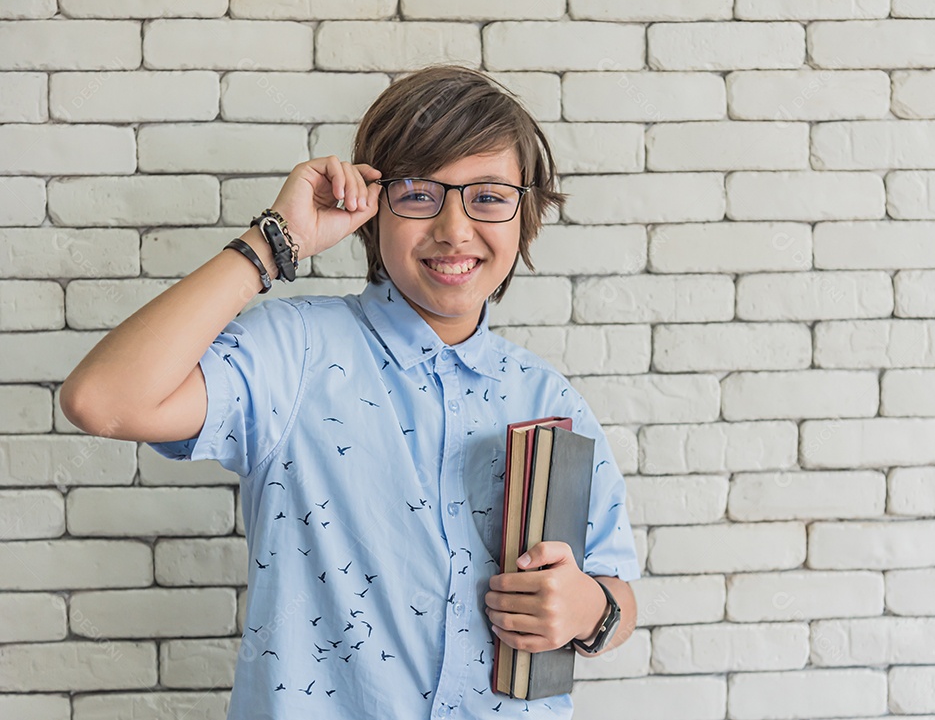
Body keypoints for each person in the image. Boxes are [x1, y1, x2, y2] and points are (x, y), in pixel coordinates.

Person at [60, 63, 639, 719]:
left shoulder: (550, 398)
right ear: (371, 205)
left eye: (487, 196)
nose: (454, 229)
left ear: (524, 212)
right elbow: (102, 399)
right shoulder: (293, 354)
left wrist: (591, 611)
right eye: (418, 193)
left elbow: (616, 591)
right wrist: (272, 242)